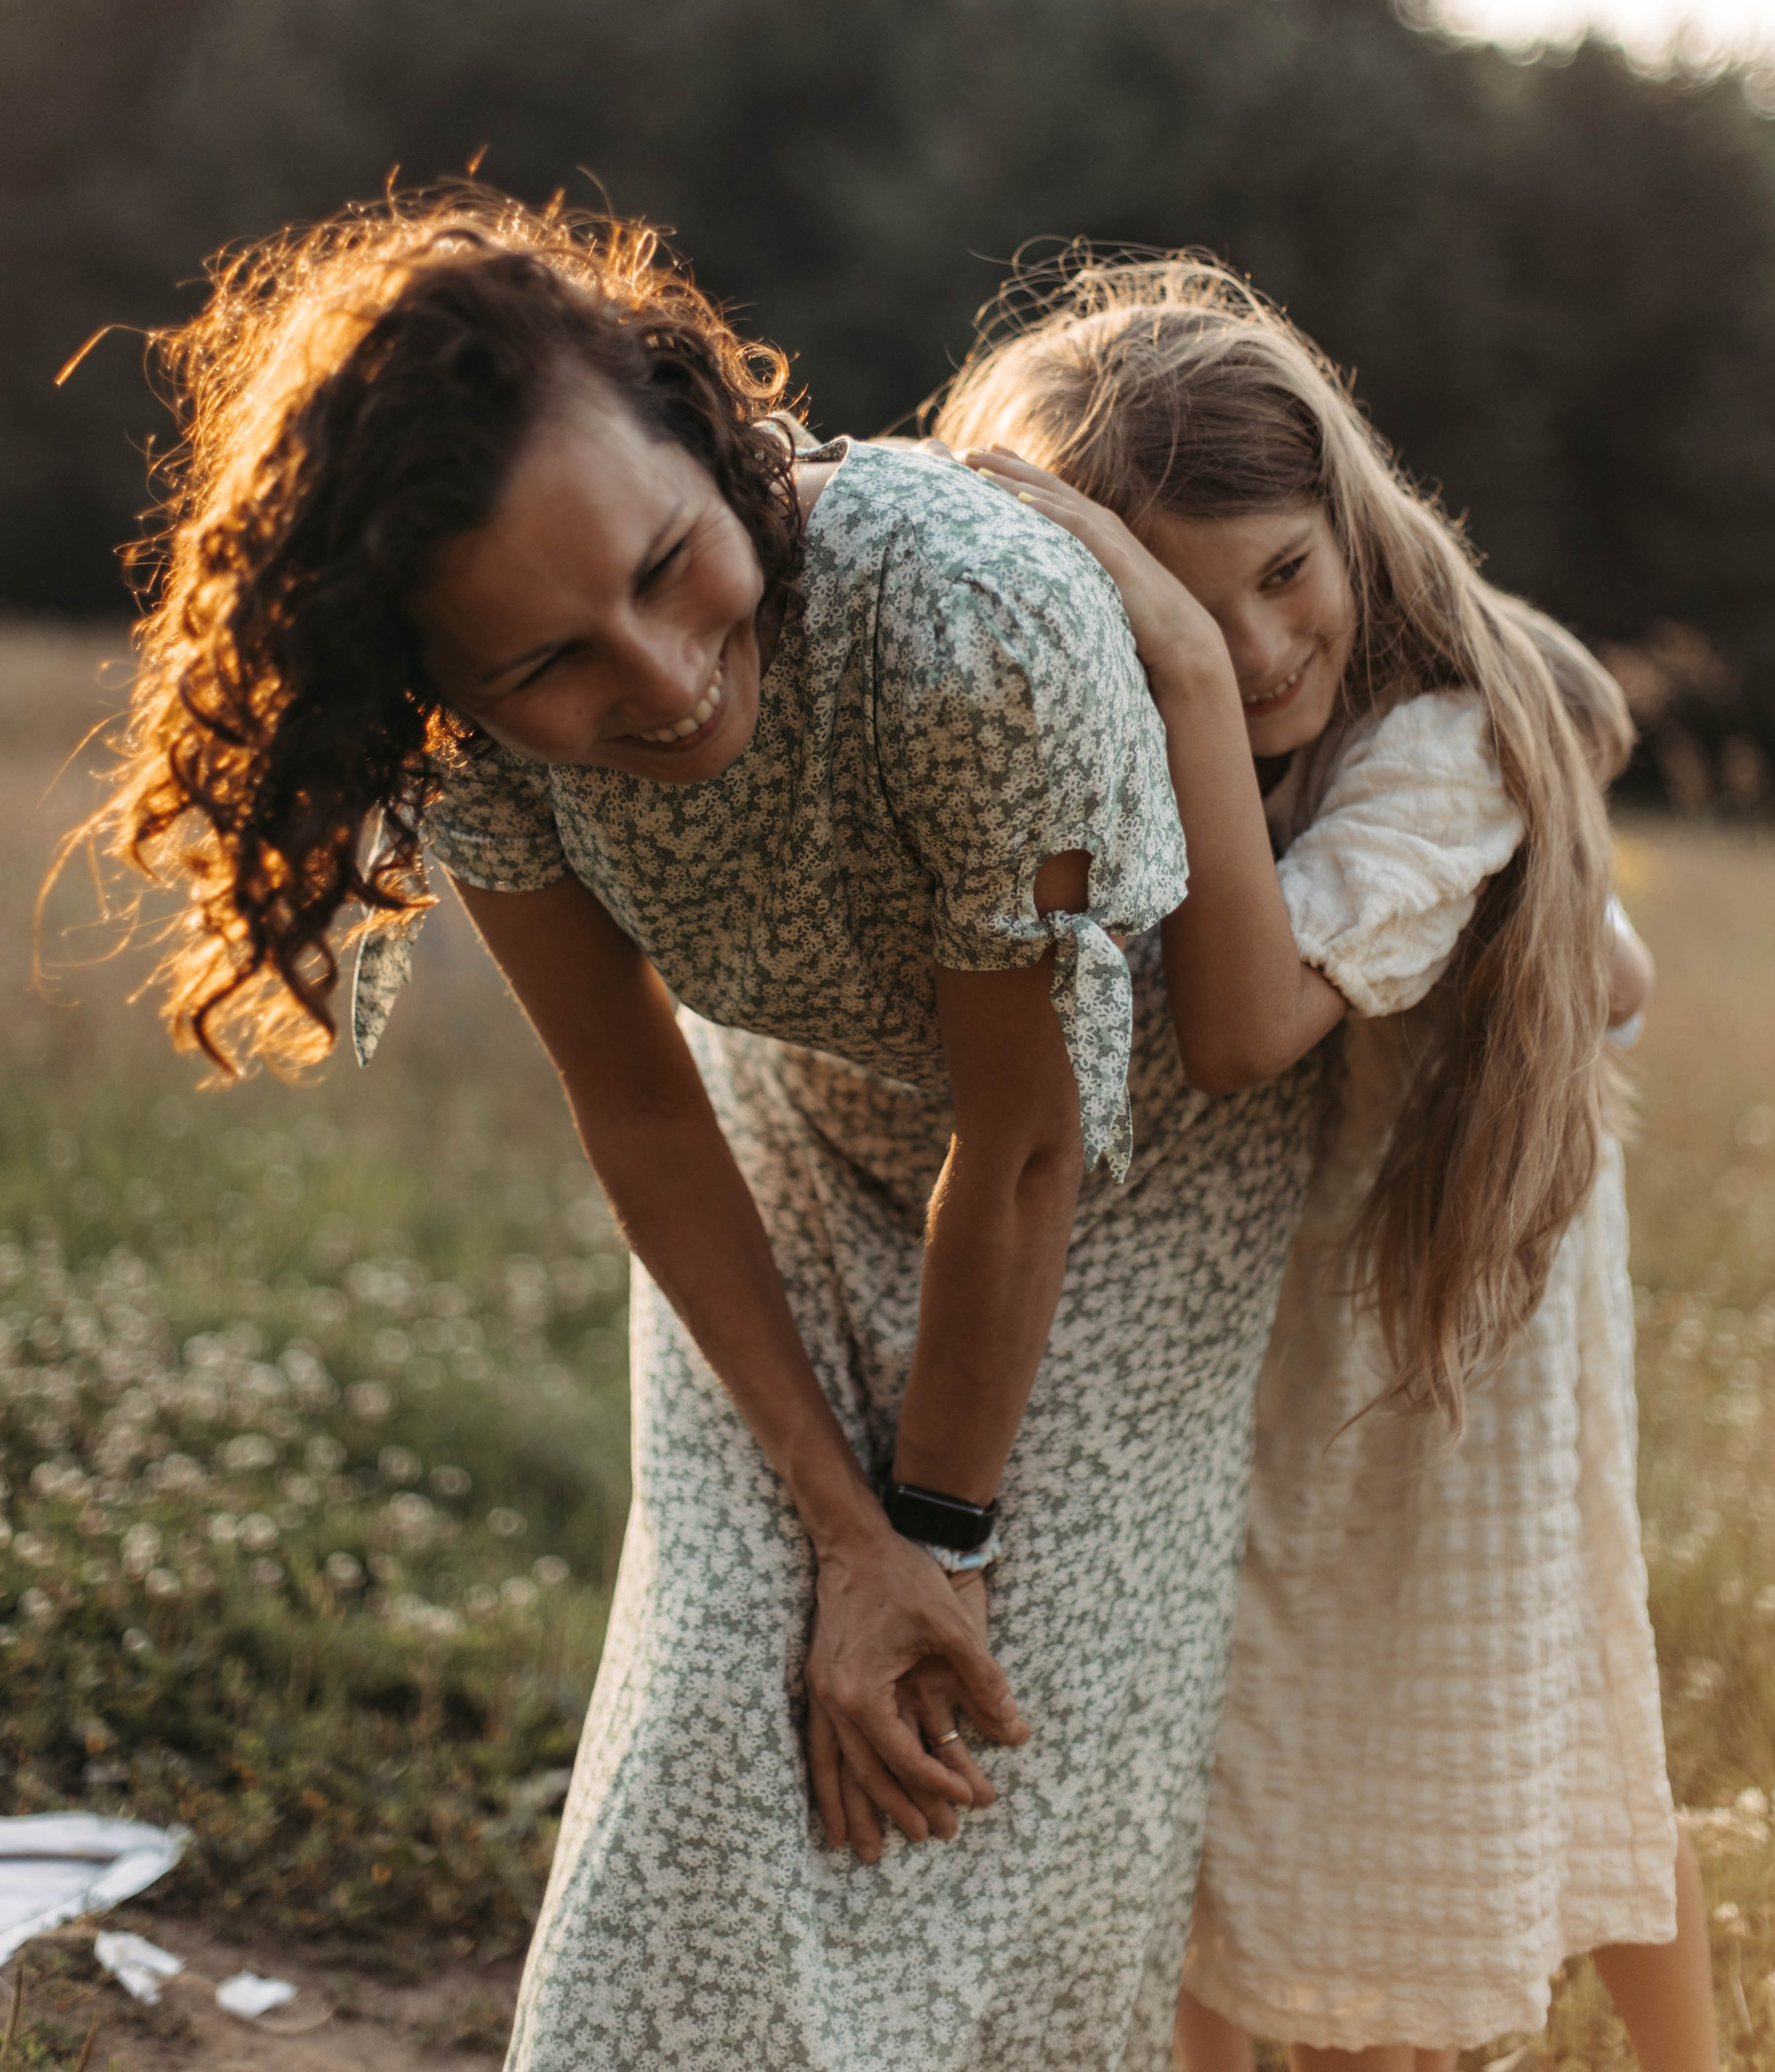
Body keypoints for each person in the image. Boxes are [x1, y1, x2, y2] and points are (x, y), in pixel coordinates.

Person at [85, 191, 1318, 2071]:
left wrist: (937, 1542)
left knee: (994, 1785)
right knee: (710, 1752)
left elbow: (1032, 1140)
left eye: (668, 569)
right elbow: (642, 1105)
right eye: (549, 664)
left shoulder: (965, 629)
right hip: (786, 1154)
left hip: (1107, 1179)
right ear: (451, 686)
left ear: (706, 430)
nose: (658, 682)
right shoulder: (470, 749)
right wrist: (845, 1531)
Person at [935, 258, 1717, 2072]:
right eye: (1188, 616)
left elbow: (1243, 1022)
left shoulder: (1435, 733)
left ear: (1348, 517)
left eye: (1285, 573)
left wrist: (1188, 663)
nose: (1264, 642)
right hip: (1295, 1281)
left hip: (1474, 1290)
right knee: (1251, 1730)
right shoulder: (1222, 722)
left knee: (1513, 1696)